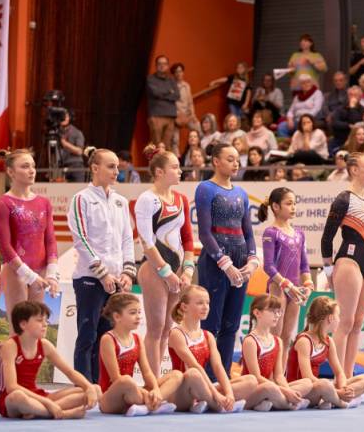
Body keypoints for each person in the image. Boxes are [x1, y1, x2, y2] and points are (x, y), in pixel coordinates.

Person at [67, 148, 136, 383]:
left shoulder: (120, 201)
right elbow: (80, 239)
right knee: (87, 335)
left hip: (116, 280)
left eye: (117, 166)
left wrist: (128, 272)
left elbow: (127, 239)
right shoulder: (81, 199)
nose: (116, 171)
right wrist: (103, 273)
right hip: (89, 278)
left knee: (106, 337)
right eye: (111, 166)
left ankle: (102, 387)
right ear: (95, 168)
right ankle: (84, 388)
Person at [195, 144, 258, 377]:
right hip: (215, 261)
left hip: (240, 260)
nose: (236, 163)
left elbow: (248, 233)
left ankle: (224, 375)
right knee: (211, 323)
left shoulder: (241, 193)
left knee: (231, 324)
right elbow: (204, 233)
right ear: (216, 162)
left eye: (237, 159)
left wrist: (252, 260)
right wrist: (224, 263)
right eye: (230, 159)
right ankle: (207, 376)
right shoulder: (206, 189)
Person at [169, 285, 276, 412]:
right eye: (199, 303)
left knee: (251, 380)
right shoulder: (177, 333)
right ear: (184, 306)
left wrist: (229, 393)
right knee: (193, 374)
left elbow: (218, 367)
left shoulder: (208, 336)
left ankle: (210, 402)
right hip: (182, 394)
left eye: (208, 303)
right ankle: (216, 405)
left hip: (202, 389)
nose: (205, 307)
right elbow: (195, 367)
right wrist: (216, 394)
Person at [134, 151, 194, 375]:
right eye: (175, 167)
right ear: (159, 172)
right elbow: (146, 242)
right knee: (156, 327)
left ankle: (158, 379)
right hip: (154, 268)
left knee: (168, 328)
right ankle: (153, 381)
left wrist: (187, 270)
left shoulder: (181, 199)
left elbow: (188, 239)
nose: (180, 171)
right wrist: (165, 271)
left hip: (176, 269)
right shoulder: (147, 199)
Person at [321, 154, 364, 377]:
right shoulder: (343, 200)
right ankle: (338, 377)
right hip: (348, 261)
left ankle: (348, 374)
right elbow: (327, 238)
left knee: (358, 323)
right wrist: (328, 271)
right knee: (345, 322)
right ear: (354, 170)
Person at [0, 149, 58, 334]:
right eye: (25, 166)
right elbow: (5, 247)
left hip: (40, 270)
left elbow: (50, 239)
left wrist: (52, 273)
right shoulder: (4, 203)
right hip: (16, 271)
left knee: (35, 329)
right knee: (19, 330)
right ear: (11, 172)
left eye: (33, 166)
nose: (31, 171)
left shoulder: (44, 202)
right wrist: (29, 275)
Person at [0, 301, 99, 419]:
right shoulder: (10, 346)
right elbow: (12, 387)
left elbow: (70, 372)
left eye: (46, 321)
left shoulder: (44, 345)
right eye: (39, 320)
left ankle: (38, 411)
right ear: (23, 324)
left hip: (35, 395)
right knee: (17, 396)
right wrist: (47, 403)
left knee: (90, 390)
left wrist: (89, 387)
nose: (45, 324)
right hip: (12, 400)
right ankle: (62, 413)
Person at [97, 293, 182, 416]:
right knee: (126, 381)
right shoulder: (108, 339)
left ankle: (149, 405)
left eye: (139, 312)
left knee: (177, 375)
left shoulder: (137, 339)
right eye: (133, 313)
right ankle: (153, 405)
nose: (138, 317)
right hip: (110, 399)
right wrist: (145, 392)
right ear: (117, 316)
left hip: (132, 393)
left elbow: (147, 373)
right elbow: (116, 379)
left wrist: (156, 390)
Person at [285, 296, 364, 408]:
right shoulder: (304, 341)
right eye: (338, 316)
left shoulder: (328, 341)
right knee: (325, 384)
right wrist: (338, 392)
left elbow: (339, 373)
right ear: (330, 318)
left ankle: (333, 398)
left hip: (322, 389)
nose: (339, 320)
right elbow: (308, 377)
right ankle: (341, 403)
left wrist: (343, 388)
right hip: (305, 391)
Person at [259, 188, 312, 366]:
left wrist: (308, 284)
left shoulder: (299, 234)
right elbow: (268, 266)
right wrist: (286, 285)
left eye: (294, 203)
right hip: (278, 287)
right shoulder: (271, 232)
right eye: (289, 203)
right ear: (275, 206)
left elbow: (304, 265)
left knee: (287, 335)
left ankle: (280, 374)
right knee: (275, 334)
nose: (293, 207)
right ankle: (269, 373)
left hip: (295, 289)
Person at [240, 295, 318, 410]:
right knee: (269, 388)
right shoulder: (250, 341)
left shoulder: (278, 341)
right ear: (257, 313)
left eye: (279, 312)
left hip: (272, 388)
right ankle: (289, 404)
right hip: (254, 391)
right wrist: (285, 391)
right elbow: (256, 377)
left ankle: (274, 402)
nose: (277, 315)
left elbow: (279, 376)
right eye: (272, 311)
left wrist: (288, 390)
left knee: (307, 383)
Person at [146, 55, 180, 150]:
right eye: (159, 63)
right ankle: (155, 160)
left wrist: (162, 94)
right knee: (156, 145)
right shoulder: (150, 79)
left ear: (168, 65)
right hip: (156, 115)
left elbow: (177, 95)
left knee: (167, 146)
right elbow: (155, 93)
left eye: (164, 64)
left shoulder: (171, 80)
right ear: (156, 65)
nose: (162, 66)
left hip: (170, 115)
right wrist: (169, 91)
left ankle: (165, 161)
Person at [171, 62, 201, 134]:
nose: (179, 74)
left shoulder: (187, 85)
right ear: (173, 74)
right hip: (176, 116)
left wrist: (193, 114)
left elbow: (190, 102)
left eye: (180, 71)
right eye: (176, 72)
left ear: (183, 72)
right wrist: (178, 114)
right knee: (175, 139)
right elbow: (170, 103)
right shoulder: (170, 86)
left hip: (188, 115)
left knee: (199, 129)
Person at [59, 109, 86, 182]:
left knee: (78, 188)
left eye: (65, 116)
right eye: (61, 116)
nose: (63, 118)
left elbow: (79, 151)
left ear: (69, 118)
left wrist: (64, 143)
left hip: (76, 166)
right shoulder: (56, 133)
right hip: (60, 166)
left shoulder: (77, 132)